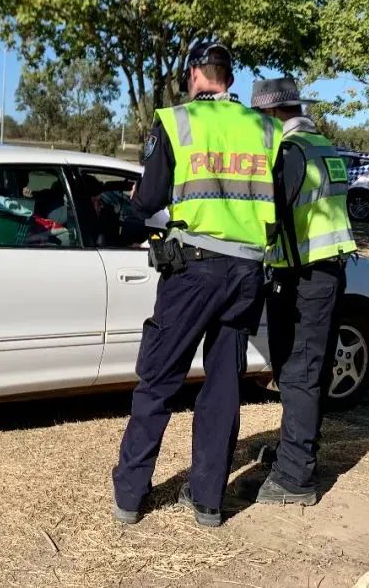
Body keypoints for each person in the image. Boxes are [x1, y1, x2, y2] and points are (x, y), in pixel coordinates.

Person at [111, 36, 282, 527]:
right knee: (224, 386)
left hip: (192, 271)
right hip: (247, 273)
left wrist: (129, 209)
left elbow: (147, 203)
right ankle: (208, 502)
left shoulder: (177, 121)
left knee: (158, 382)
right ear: (229, 77)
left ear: (193, 74)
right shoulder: (265, 130)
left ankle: (130, 496)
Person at [250, 77, 357, 506]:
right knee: (303, 372)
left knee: (299, 373)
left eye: (261, 118)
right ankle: (293, 455)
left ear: (273, 114)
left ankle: (296, 478)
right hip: (325, 275)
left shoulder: (291, 152)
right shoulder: (322, 145)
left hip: (305, 278)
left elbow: (271, 217)